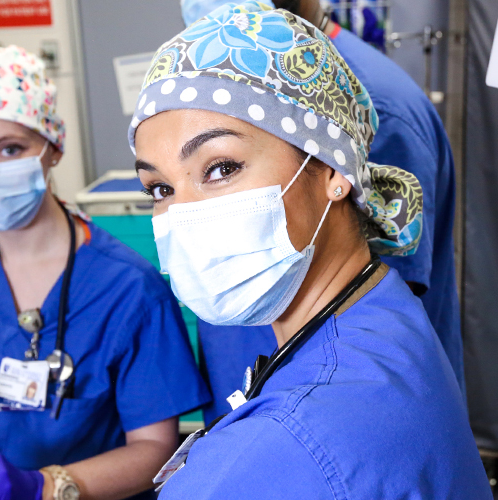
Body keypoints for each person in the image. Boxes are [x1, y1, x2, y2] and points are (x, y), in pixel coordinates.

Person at [129, 3, 490, 497]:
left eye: (221, 168)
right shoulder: (381, 317)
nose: (183, 217)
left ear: (333, 169)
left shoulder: (280, 449)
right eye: (160, 189)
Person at [0, 42, 210, 500]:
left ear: (52, 148)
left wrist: (40, 485)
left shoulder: (128, 290)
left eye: (8, 148)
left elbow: (154, 454)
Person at [182, 0, 464, 423]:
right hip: (257, 402)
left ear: (336, 172)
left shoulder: (366, 108)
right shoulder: (229, 72)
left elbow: (368, 328)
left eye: (225, 169)